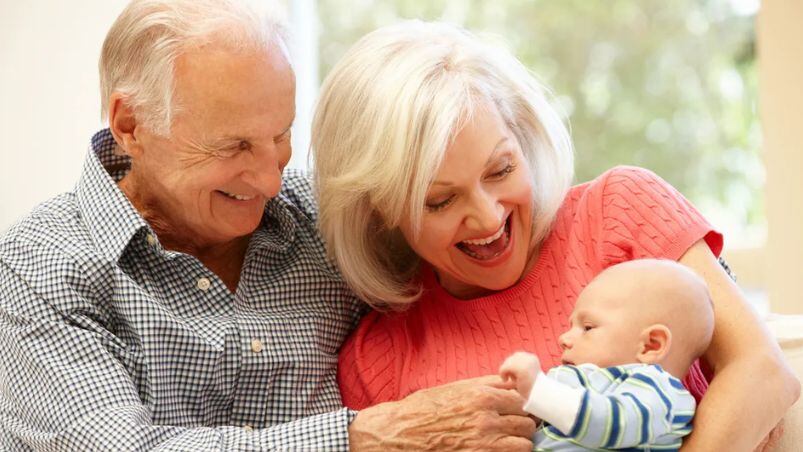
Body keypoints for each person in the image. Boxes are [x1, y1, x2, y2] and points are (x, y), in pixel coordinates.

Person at [0, 2, 537, 450]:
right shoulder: (41, 268)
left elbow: (476, 252)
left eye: (279, 135)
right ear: (131, 125)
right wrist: (363, 438)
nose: (270, 181)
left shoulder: (321, 220)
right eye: (234, 146)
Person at [312, 20, 800, 450]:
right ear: (380, 212)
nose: (486, 218)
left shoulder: (618, 212)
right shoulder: (378, 361)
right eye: (440, 201)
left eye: (501, 169)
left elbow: (763, 372)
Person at [499, 258, 715, 450]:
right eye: (571, 325)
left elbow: (612, 423)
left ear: (650, 345)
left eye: (588, 327)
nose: (563, 338)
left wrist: (539, 390)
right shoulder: (585, 380)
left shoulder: (659, 393)